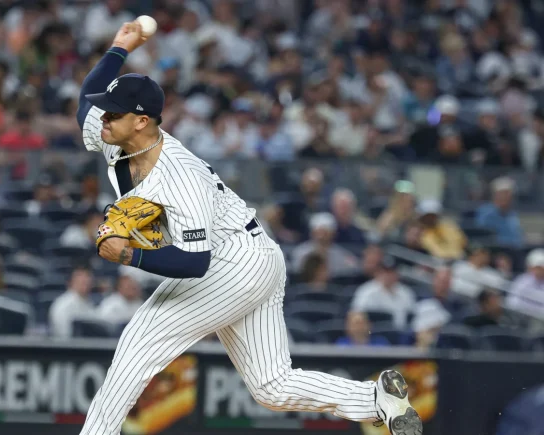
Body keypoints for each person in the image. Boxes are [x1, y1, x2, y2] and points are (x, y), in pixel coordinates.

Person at [74, 23, 421, 435]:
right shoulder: (116, 135)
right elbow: (85, 102)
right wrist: (119, 47)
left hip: (230, 260)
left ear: (142, 121)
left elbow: (195, 263)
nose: (104, 119)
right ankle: (374, 399)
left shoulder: (180, 178)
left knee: (139, 343)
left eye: (114, 113)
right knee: (271, 385)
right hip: (255, 255)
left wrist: (129, 255)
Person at [351, 255, 416, 330]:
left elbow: (413, 317)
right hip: (374, 336)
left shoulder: (406, 292)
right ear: (378, 272)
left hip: (401, 336)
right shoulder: (366, 291)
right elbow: (356, 316)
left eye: (391, 272)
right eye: (385, 271)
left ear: (397, 274)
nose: (388, 275)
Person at [474, 177, 524, 247]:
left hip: (514, 250)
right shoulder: (485, 212)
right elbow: (483, 235)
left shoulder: (512, 214)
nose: (505, 197)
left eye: (508, 194)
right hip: (494, 250)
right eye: (503, 193)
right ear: (495, 194)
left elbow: (517, 237)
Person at [49, 266, 98, 338]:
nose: (85, 280)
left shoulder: (89, 303)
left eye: (87, 276)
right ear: (70, 281)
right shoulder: (63, 304)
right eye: (80, 276)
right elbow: (64, 336)